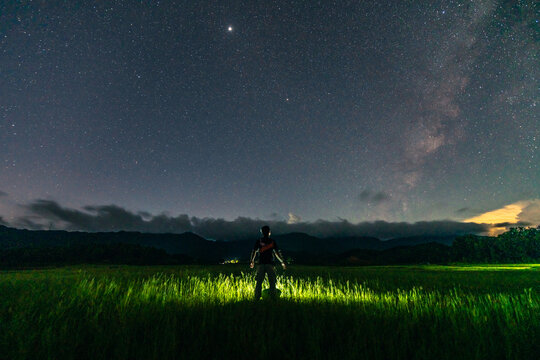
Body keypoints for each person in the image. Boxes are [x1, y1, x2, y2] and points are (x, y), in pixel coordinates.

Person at [250, 225, 286, 300]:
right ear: (269, 232)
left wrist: (252, 261)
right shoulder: (272, 241)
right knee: (272, 282)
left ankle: (256, 298)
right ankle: (273, 298)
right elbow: (277, 253)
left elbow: (254, 252)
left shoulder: (259, 241)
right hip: (270, 264)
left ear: (262, 232)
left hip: (261, 264)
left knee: (259, 282)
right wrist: (282, 261)